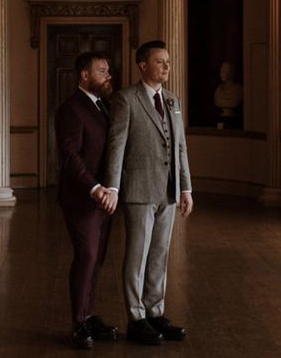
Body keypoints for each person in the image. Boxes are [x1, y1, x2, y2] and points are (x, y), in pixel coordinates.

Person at [105, 40, 193, 345]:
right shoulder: (125, 99)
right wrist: (113, 186)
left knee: (159, 256)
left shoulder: (172, 100)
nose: (167, 66)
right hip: (138, 190)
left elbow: (180, 147)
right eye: (160, 62)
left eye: (168, 61)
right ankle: (136, 317)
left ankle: (156, 313)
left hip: (169, 191)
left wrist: (186, 188)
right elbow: (117, 145)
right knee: (137, 256)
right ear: (143, 65)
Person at [55, 51, 119, 349]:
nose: (109, 75)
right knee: (87, 257)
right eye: (102, 70)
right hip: (83, 199)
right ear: (84, 75)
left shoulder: (102, 106)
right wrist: (95, 189)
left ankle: (89, 314)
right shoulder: (71, 108)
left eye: (108, 70)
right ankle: (79, 323)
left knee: (98, 260)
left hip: (105, 198)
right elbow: (70, 157)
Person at [214, 60, 243, 128]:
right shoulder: (218, 90)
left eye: (224, 71)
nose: (221, 74)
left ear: (231, 73)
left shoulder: (238, 90)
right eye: (221, 71)